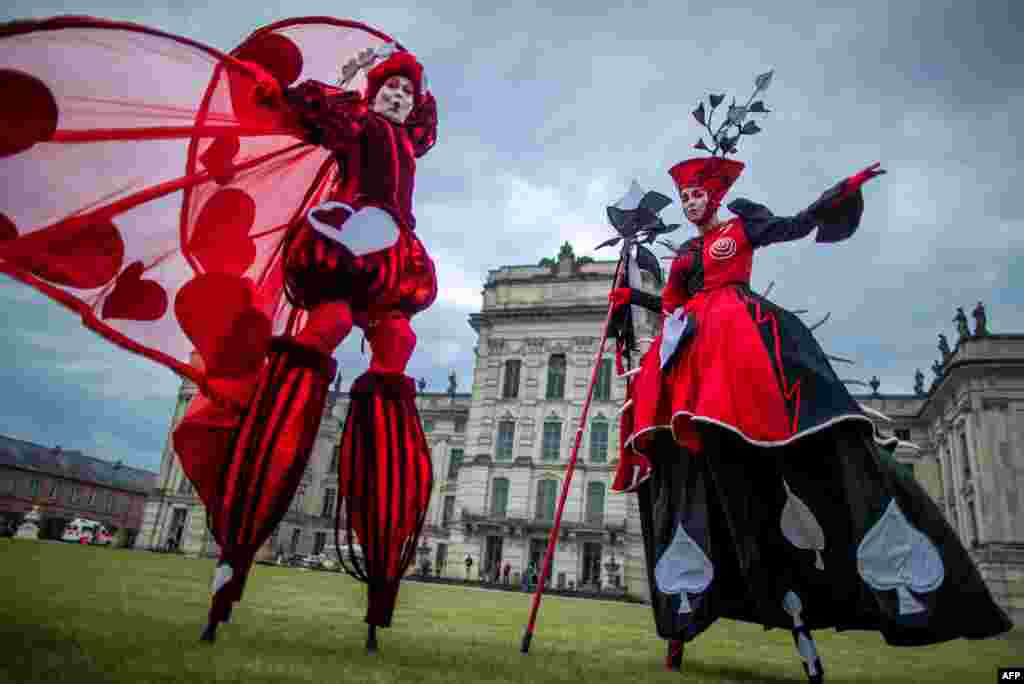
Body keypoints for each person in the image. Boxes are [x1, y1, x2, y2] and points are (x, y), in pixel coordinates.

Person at [0, 17, 436, 652]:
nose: (397, 99)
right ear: (372, 96)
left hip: (392, 252)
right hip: (346, 242)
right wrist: (331, 82)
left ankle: (384, 537)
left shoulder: (409, 140)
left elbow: (421, 127)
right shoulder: (356, 123)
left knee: (397, 348)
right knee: (333, 323)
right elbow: (301, 105)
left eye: (405, 94)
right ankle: (254, 482)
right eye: (389, 91)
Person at [607, 78, 1011, 681]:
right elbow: (668, 311)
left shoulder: (740, 228)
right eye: (684, 196)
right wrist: (626, 298)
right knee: (689, 464)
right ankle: (690, 598)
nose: (690, 203)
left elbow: (795, 225)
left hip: (745, 343)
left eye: (696, 194)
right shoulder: (685, 259)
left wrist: (836, 195)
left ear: (713, 196)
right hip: (698, 361)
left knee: (787, 434)